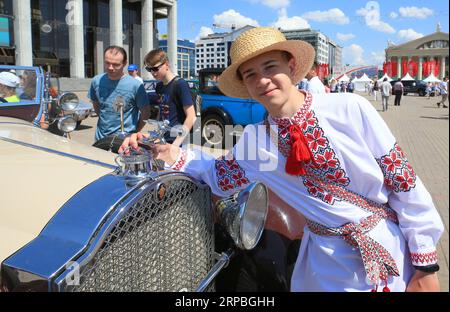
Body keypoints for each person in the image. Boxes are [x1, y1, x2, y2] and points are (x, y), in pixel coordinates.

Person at [120, 27, 443, 292]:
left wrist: (425, 262)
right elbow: (214, 173)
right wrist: (162, 151)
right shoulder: (254, 141)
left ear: (291, 66)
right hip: (327, 270)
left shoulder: (349, 108)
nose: (262, 80)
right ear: (245, 86)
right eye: (250, 75)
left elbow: (403, 182)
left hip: (388, 254)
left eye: (270, 67)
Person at [88, 46, 150, 142]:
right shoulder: (96, 81)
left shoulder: (136, 86)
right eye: (107, 63)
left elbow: (145, 113)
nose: (110, 67)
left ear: (124, 63)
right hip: (100, 140)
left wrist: (135, 132)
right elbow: (96, 105)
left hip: (124, 141)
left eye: (116, 64)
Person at [143, 48, 196, 146]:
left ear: (166, 64)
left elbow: (191, 116)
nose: (153, 73)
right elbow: (162, 113)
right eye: (149, 69)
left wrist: (176, 144)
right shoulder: (159, 86)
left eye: (155, 68)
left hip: (177, 142)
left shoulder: (180, 84)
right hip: (163, 139)